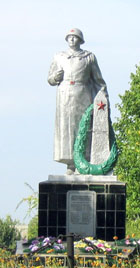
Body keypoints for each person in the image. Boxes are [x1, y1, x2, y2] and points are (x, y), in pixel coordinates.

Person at [48, 28, 108, 175]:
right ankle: (70, 164)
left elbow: (98, 80)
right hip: (64, 95)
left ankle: (83, 160)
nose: (72, 40)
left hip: (82, 93)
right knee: (67, 129)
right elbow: (49, 79)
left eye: (75, 37)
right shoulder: (59, 56)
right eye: (70, 37)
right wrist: (55, 77)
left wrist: (103, 96)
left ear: (80, 40)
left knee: (84, 127)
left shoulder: (89, 57)